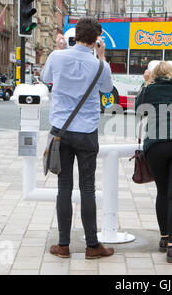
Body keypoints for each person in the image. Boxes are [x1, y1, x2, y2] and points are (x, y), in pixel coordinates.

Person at [41, 17, 115, 259]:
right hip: (87, 132)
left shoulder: (57, 57)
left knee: (64, 187)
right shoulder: (99, 64)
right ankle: (92, 246)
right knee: (87, 188)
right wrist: (101, 56)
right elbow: (106, 89)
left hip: (60, 131)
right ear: (96, 39)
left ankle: (63, 245)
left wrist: (59, 49)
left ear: (74, 36)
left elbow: (44, 78)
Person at [135, 61, 172, 264]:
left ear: (152, 75)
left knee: (162, 192)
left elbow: (139, 111)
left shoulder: (149, 89)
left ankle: (163, 237)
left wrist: (144, 84)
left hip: (156, 146)